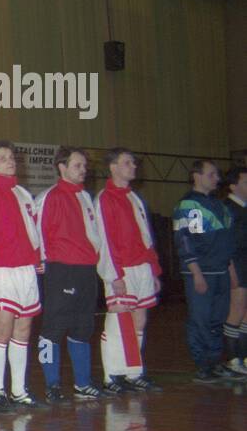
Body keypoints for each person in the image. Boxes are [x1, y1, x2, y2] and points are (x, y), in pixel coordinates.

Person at [0, 141, 46, 411]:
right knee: (2, 329)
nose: (10, 161)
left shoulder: (24, 194)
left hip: (26, 270)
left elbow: (33, 231)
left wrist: (38, 257)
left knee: (24, 330)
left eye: (11, 157)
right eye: (2, 158)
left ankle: (18, 390)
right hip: (1, 270)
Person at [35, 147, 109, 402]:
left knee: (83, 327)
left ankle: (82, 384)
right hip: (61, 270)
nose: (83, 170)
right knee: (53, 329)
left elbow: (95, 236)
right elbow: (38, 231)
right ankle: (52, 385)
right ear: (62, 167)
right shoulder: (51, 197)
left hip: (86, 271)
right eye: (78, 165)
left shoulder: (86, 197)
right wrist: (42, 262)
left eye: (84, 166)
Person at [95, 148, 162, 393]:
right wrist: (114, 276)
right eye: (127, 163)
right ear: (113, 167)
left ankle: (133, 373)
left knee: (139, 321)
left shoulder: (135, 198)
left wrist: (153, 270)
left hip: (142, 267)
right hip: (120, 269)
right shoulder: (104, 198)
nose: (133, 166)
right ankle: (111, 376)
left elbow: (146, 236)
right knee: (117, 319)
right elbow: (104, 239)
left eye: (133, 162)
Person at [173, 160, 241, 383]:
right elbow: (187, 241)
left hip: (221, 270)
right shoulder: (190, 206)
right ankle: (203, 365)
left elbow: (227, 242)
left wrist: (230, 269)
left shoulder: (220, 206)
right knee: (200, 319)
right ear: (197, 176)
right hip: (202, 272)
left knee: (217, 319)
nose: (217, 179)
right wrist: (196, 272)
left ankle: (214, 361)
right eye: (211, 175)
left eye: (217, 175)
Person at [220, 167, 247, 375]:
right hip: (236, 265)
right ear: (233, 186)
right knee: (236, 311)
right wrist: (231, 270)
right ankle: (232, 359)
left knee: (245, 314)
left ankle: (244, 357)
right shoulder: (227, 208)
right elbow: (225, 243)